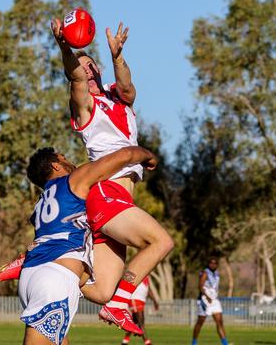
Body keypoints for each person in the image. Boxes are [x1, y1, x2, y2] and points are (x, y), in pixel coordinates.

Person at [50, 17, 174, 334]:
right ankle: (120, 307)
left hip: (116, 199)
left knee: (102, 290)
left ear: (101, 72)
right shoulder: (85, 107)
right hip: (106, 193)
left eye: (91, 66)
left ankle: (42, 262)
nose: (86, 70)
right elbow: (75, 77)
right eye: (81, 68)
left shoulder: (118, 96)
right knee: (160, 241)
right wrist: (66, 47)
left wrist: (118, 57)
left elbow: (129, 87)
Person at [19, 145, 158, 345]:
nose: (70, 161)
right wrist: (148, 156)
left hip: (35, 276)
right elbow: (126, 155)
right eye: (64, 157)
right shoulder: (72, 181)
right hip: (54, 279)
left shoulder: (41, 202)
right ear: (55, 165)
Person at [191, 258, 230, 345]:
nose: (213, 265)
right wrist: (207, 296)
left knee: (219, 322)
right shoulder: (205, 273)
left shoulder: (216, 274)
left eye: (215, 263)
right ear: (208, 264)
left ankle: (225, 343)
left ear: (217, 265)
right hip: (204, 300)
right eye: (211, 263)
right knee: (200, 322)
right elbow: (200, 287)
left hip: (214, 300)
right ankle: (194, 342)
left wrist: (213, 296)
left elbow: (214, 287)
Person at [121, 275, 160, 345]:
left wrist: (154, 301)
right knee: (141, 323)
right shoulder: (139, 272)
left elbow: (148, 290)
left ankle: (124, 342)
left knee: (134, 322)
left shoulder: (146, 276)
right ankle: (147, 342)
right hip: (135, 299)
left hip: (141, 300)